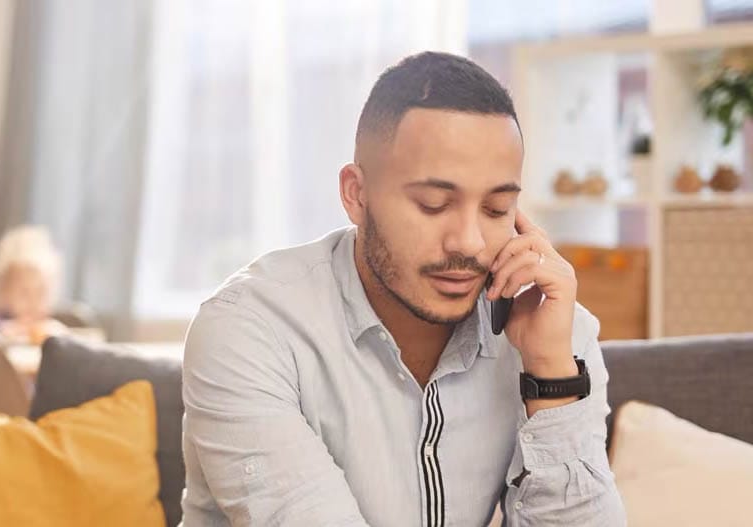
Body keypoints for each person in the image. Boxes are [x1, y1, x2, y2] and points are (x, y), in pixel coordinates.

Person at [181, 52, 625, 526]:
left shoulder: (552, 332)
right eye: (433, 204)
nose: (470, 243)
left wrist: (551, 378)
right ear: (356, 194)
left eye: (496, 209)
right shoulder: (250, 330)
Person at [0, 225, 67, 345]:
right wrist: (9, 330)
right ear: (5, 292)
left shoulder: (49, 327)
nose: (33, 302)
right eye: (24, 293)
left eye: (40, 292)